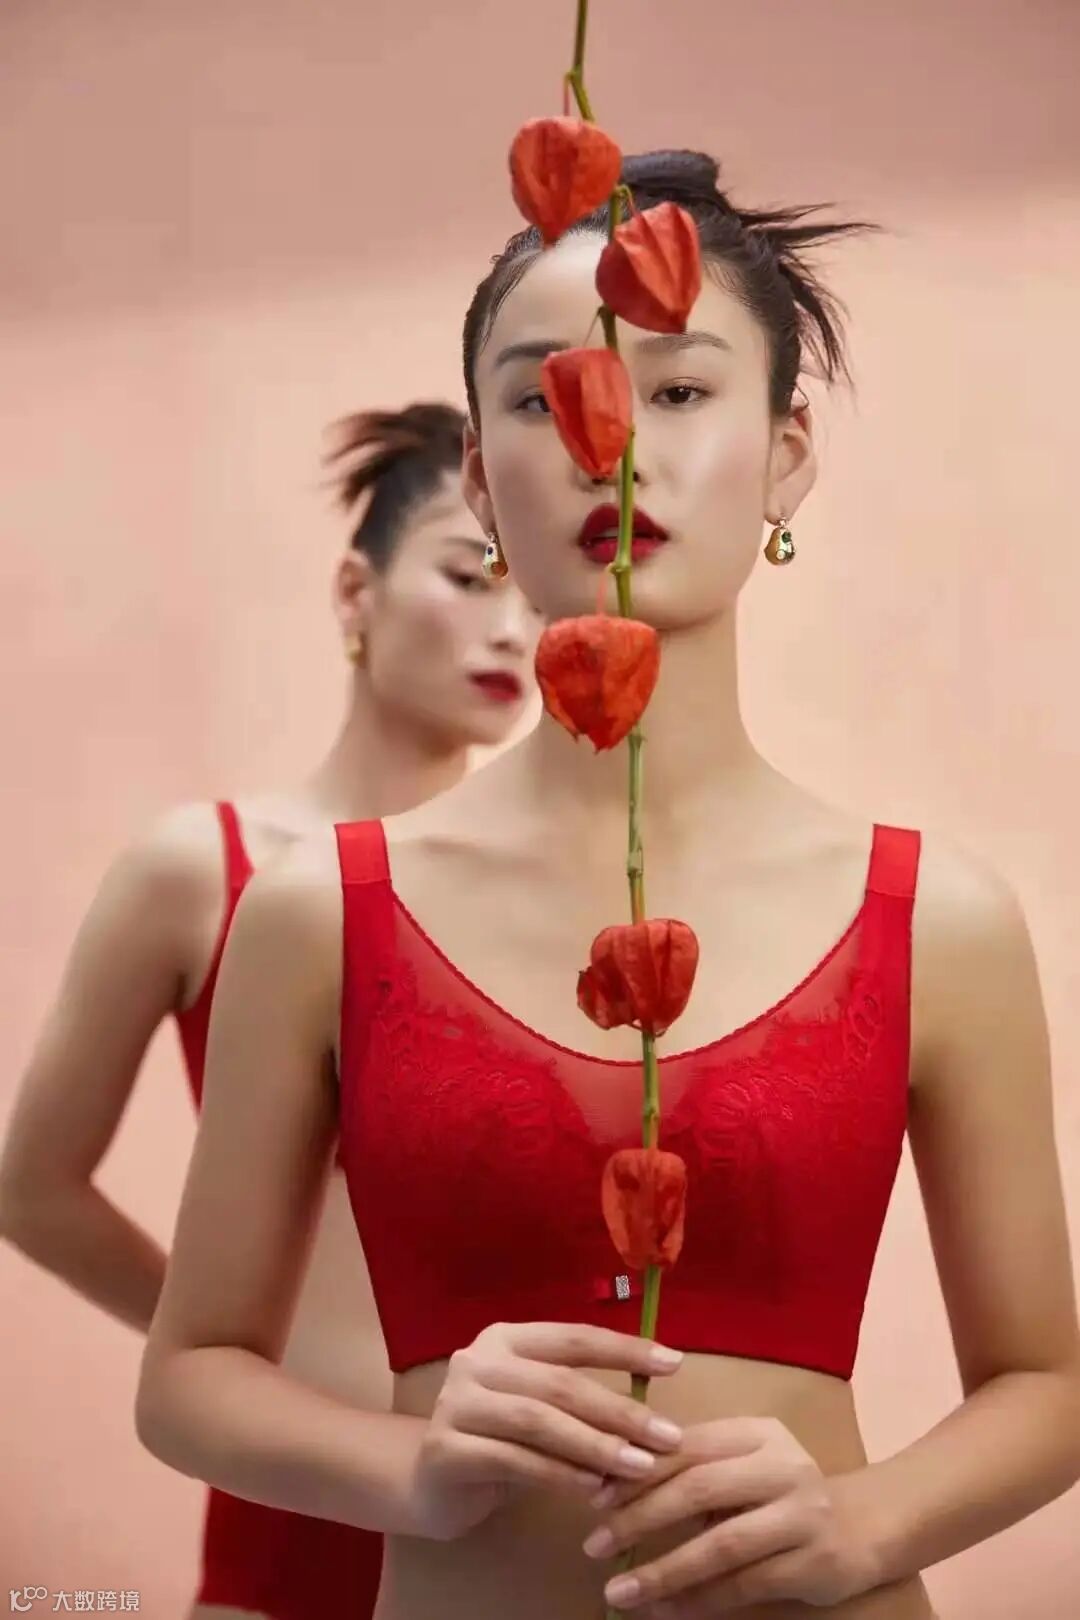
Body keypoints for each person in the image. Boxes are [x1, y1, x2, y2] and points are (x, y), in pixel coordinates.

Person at [133, 153, 1080, 1620]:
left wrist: (865, 1522)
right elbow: (190, 1377)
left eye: (683, 389)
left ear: (787, 455)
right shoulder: (321, 912)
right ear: (478, 479)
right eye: (539, 398)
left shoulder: (940, 921)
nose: (607, 441)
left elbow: (1047, 1384)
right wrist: (409, 1468)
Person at [0, 400, 538, 1620]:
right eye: (470, 576)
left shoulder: (549, 898)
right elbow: (32, 1189)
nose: (511, 628)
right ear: (356, 592)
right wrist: (231, 1355)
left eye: (535, 598)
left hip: (508, 1516)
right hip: (288, 1499)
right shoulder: (204, 868)